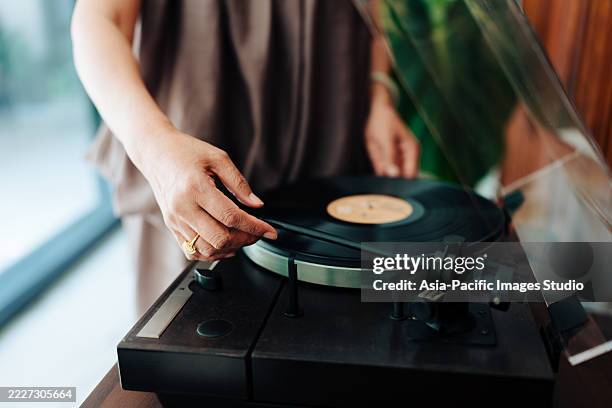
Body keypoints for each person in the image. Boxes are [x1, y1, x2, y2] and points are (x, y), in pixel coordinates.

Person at [71, 0, 419, 310]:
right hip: (190, 175)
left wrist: (379, 96)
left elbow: (373, 11)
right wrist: (156, 149)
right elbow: (101, 19)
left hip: (334, 152)